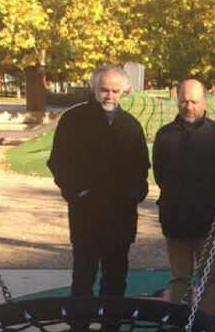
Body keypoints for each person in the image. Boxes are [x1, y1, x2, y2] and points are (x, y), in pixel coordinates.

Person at [47, 64, 149, 301]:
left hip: (121, 214)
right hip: (87, 214)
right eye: (104, 90)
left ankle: (111, 331)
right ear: (94, 88)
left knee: (115, 278)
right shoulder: (74, 120)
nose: (109, 96)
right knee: (83, 277)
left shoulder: (130, 125)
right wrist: (76, 193)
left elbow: (141, 166)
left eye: (115, 91)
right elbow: (59, 162)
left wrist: (135, 193)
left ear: (123, 91)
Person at [152, 78, 215, 315]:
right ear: (177, 101)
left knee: (210, 278)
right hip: (175, 216)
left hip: (209, 219)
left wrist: (208, 195)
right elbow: (160, 174)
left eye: (193, 101)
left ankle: (206, 324)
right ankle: (178, 321)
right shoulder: (164, 136)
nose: (188, 106)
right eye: (183, 101)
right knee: (180, 277)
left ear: (204, 102)